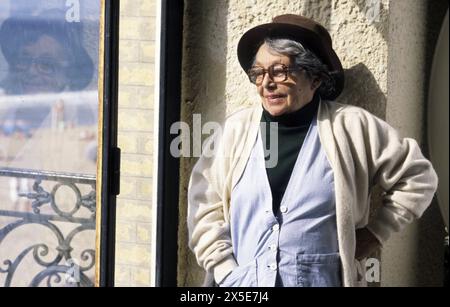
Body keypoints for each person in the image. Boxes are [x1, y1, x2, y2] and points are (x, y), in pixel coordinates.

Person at [187, 14, 438, 287]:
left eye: (280, 71)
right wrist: (225, 270)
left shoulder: (352, 127)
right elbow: (204, 209)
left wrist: (375, 234)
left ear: (315, 78)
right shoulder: (234, 131)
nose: (266, 83)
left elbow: (418, 177)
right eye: (258, 73)